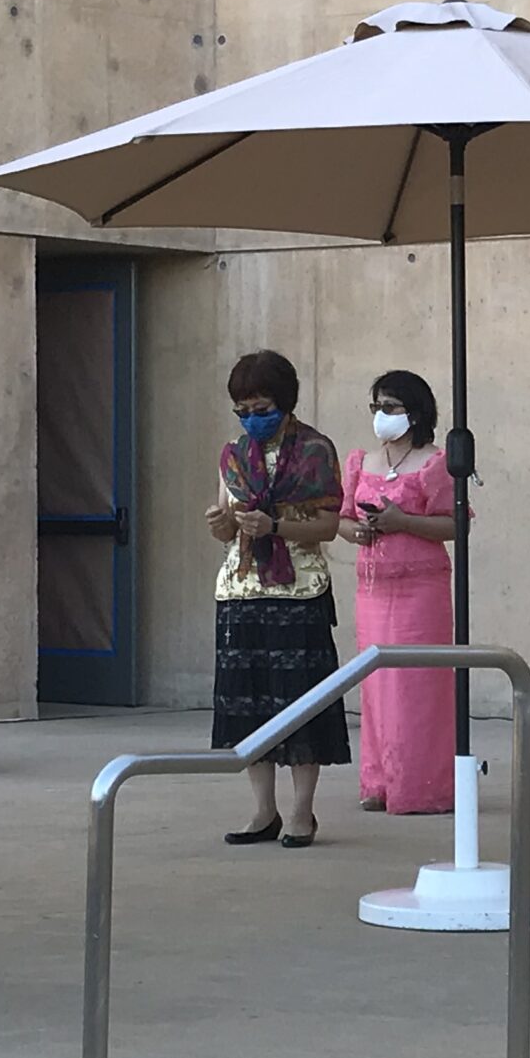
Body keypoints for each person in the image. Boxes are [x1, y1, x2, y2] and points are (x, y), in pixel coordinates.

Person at [206, 349, 348, 847]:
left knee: (300, 702)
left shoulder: (315, 451)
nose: (252, 419)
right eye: (242, 410)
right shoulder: (232, 453)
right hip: (242, 587)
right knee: (249, 704)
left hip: (299, 589)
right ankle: (261, 810)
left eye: (261, 408)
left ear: (285, 404)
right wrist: (224, 525)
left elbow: (330, 524)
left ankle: (301, 813)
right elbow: (228, 522)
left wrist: (276, 527)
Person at [336, 370, 460, 814]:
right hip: (372, 587)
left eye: (390, 407)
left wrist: (403, 522)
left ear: (415, 412)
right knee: (376, 684)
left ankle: (422, 785)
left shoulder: (435, 462)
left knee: (417, 686)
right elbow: (342, 519)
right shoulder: (361, 462)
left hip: (420, 586)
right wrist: (361, 532)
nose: (381, 416)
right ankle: (380, 780)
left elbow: (455, 523)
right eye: (376, 407)